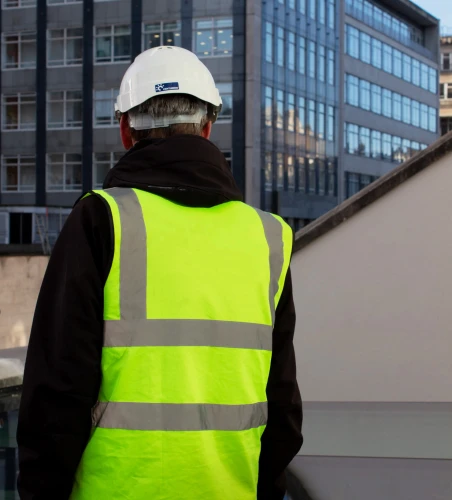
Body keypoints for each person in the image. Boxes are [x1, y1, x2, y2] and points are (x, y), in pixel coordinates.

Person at [17, 46, 303, 500]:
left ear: (126, 130)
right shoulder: (269, 236)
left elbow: (57, 390)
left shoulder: (101, 219)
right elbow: (282, 403)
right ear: (208, 128)